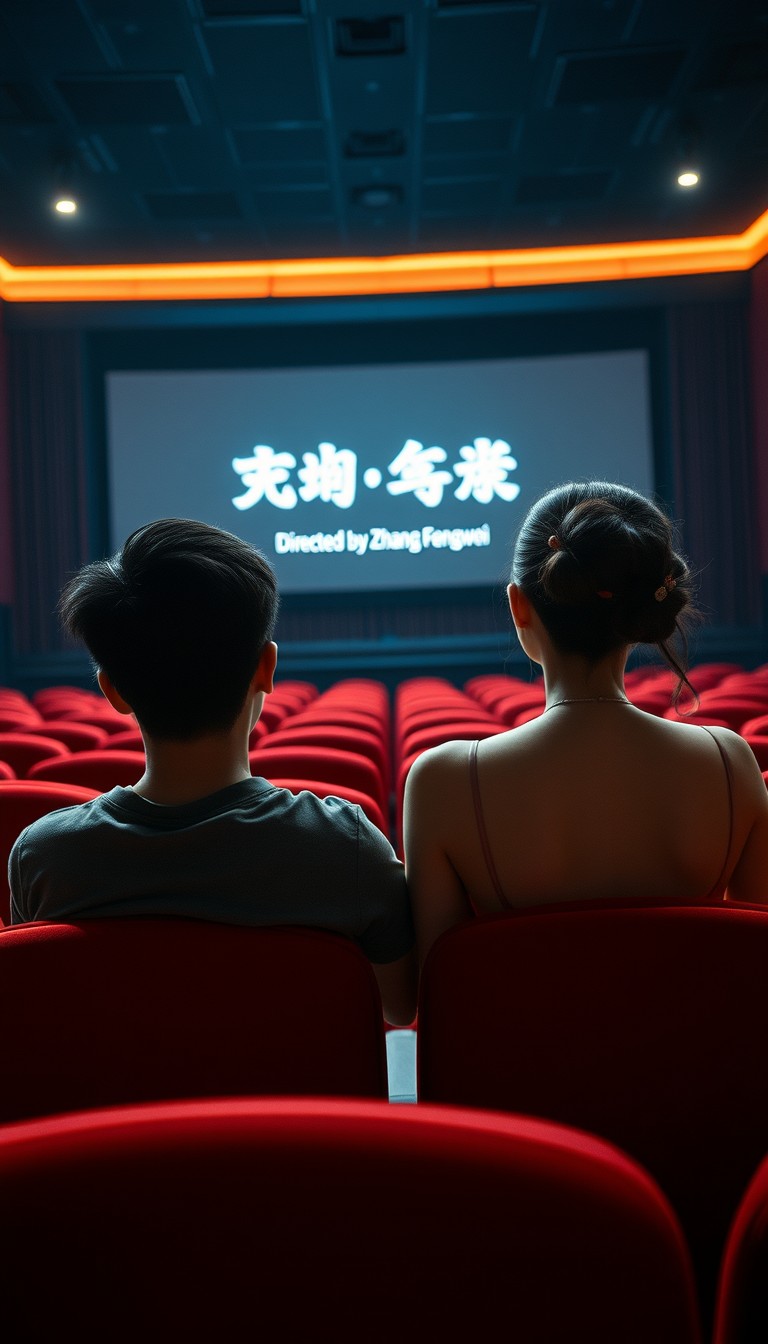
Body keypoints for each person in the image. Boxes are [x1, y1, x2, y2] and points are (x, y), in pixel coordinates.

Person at [9, 518, 416, 1025]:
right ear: (267, 668)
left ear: (112, 690)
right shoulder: (341, 846)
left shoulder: (46, 858)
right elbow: (401, 1007)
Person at [403, 481, 768, 966]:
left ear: (518, 605)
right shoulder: (730, 763)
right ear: (643, 611)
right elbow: (750, 974)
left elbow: (437, 991)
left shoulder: (441, 781)